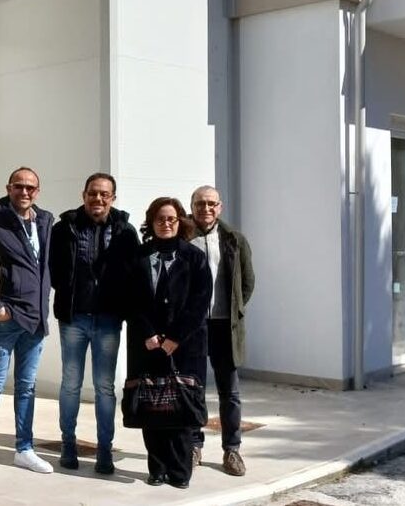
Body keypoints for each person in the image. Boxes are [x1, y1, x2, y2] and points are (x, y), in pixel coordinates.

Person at [49, 173, 140, 473]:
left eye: (104, 194)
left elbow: (134, 273)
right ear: (84, 194)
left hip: (108, 320)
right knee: (71, 384)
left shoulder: (125, 231)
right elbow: (54, 269)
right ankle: (68, 444)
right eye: (92, 193)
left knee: (104, 387)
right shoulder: (64, 228)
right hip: (74, 318)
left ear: (113, 198)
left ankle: (104, 450)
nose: (97, 198)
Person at [124, 197, 212, 489]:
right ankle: (157, 469)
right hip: (146, 344)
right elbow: (130, 299)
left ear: (180, 221)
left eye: (171, 219)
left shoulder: (194, 257)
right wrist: (147, 333)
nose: (165, 224)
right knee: (152, 408)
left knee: (180, 409)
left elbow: (200, 301)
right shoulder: (138, 256)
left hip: (185, 345)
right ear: (151, 222)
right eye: (160, 219)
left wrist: (175, 337)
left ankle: (180, 471)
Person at [0, 167, 54, 476]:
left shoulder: (45, 220)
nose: (24, 192)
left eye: (30, 187)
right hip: (5, 319)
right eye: (18, 186)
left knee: (26, 387)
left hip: (35, 319)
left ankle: (24, 449)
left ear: (38, 191)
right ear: (9, 188)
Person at [186, 185, 255, 476]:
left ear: (220, 207)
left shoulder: (234, 239)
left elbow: (247, 283)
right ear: (192, 206)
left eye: (211, 203)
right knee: (193, 388)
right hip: (193, 326)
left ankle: (232, 450)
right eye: (200, 203)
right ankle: (194, 445)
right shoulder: (183, 237)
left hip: (225, 326)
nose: (206, 208)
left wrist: (234, 310)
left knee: (230, 392)